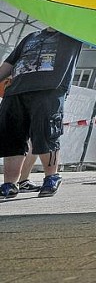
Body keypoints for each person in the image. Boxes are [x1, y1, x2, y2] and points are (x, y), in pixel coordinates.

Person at [0, 27, 82, 199]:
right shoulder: (32, 36)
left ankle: (51, 177)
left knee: (46, 132)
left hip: (49, 89)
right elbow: (10, 62)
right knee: (11, 136)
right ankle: (9, 183)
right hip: (15, 91)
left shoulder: (74, 33)